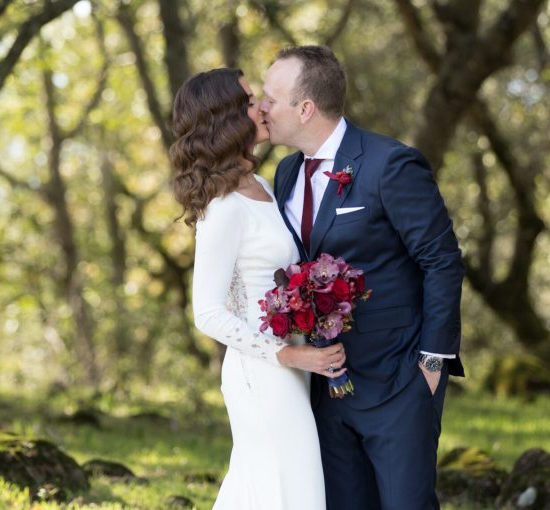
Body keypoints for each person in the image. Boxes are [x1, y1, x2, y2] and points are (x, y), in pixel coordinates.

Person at [260, 46, 465, 510]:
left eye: (272, 98)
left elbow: (442, 261)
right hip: (323, 387)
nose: (262, 108)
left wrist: (431, 364)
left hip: (398, 382)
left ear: (305, 108)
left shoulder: (390, 164)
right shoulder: (287, 172)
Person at [171, 68, 344, 509]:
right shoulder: (224, 205)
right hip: (261, 375)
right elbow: (207, 311)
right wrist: (288, 353)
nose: (263, 107)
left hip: (289, 371)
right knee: (289, 492)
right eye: (251, 101)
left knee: (269, 491)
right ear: (228, 119)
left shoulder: (261, 186)